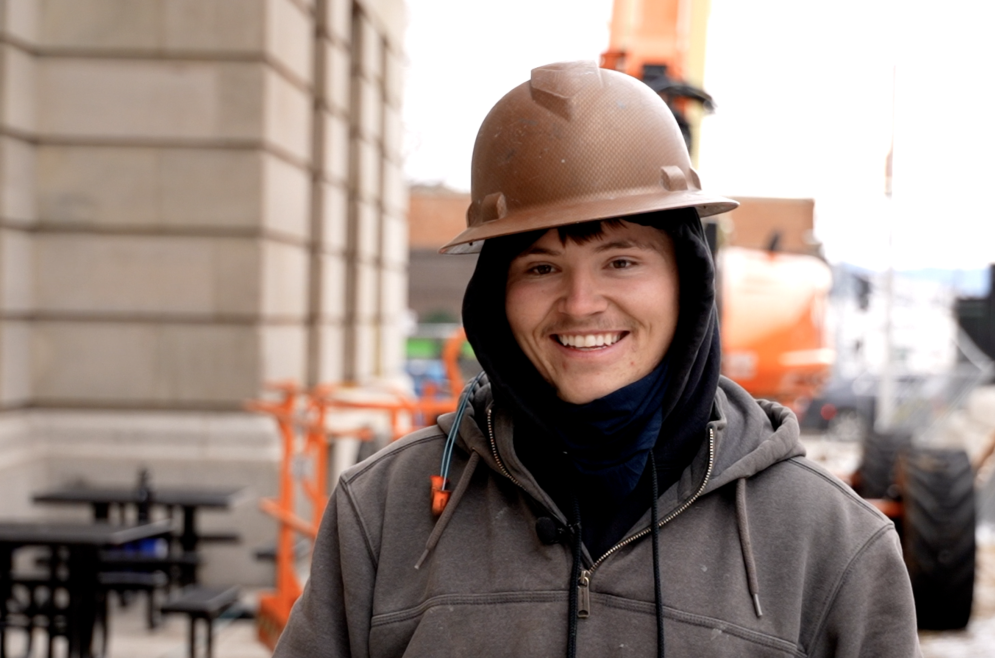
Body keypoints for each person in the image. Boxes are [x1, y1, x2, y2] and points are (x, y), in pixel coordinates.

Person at [274, 61, 921, 658]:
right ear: (495, 298)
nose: (581, 303)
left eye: (621, 261)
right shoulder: (384, 510)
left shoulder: (830, 541)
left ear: (688, 281)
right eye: (541, 267)